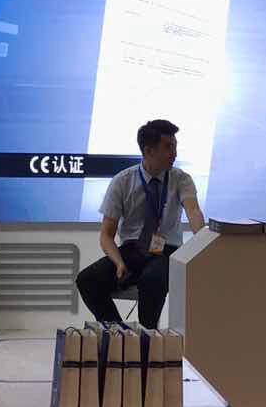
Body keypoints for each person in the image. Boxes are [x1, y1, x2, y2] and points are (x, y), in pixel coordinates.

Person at [75, 118, 206, 329]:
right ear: (149, 150)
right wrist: (118, 262)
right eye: (168, 147)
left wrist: (203, 239)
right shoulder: (122, 181)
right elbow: (106, 235)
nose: (174, 153)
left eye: (175, 146)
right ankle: (119, 333)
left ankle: (148, 336)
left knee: (152, 279)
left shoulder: (181, 179)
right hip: (132, 250)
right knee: (87, 280)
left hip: (166, 251)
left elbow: (193, 210)